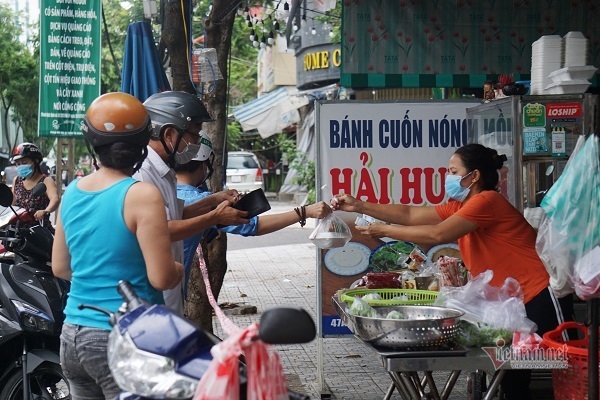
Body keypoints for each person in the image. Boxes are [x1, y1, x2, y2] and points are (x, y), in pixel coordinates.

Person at [331, 143, 572, 400]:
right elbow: (410, 214)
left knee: (565, 364)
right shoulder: (462, 206)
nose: (448, 177)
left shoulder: (487, 201)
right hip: (513, 301)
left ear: (474, 175)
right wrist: (359, 206)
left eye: (453, 171)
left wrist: (383, 230)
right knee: (513, 372)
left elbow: (438, 233)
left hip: (540, 295)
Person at [52, 92, 184, 399]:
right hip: (124, 337)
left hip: (72, 334)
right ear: (141, 146)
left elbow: (60, 266)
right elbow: (161, 278)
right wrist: (176, 268)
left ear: (93, 144)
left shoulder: (72, 192)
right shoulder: (143, 194)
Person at [175, 132, 332, 296]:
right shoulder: (198, 200)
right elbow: (254, 226)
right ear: (203, 164)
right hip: (169, 292)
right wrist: (306, 212)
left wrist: (212, 200)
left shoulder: (167, 192)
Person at [135, 91, 248, 315]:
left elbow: (176, 215)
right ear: (169, 134)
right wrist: (215, 217)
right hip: (149, 300)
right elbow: (162, 229)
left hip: (169, 295)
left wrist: (211, 201)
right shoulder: (143, 173)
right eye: (194, 135)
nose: (196, 142)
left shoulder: (163, 170)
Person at [10, 143, 59, 232]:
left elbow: (55, 199)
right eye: (18, 164)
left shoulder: (46, 181)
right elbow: (12, 203)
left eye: (24, 163)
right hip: (18, 232)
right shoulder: (16, 181)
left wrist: (45, 211)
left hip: (40, 232)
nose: (21, 166)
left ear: (36, 161)